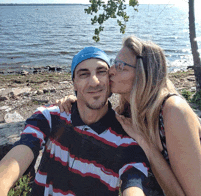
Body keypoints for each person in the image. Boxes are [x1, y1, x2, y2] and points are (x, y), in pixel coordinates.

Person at [57, 36, 201, 196]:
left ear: (143, 74)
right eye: (114, 63)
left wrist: (145, 143)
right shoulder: (127, 110)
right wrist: (77, 102)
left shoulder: (173, 111)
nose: (110, 71)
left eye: (120, 66)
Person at [0, 46, 158, 196]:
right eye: (84, 74)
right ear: (74, 82)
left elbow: (133, 185)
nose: (94, 82)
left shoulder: (126, 138)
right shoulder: (50, 117)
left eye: (101, 72)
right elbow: (23, 148)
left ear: (110, 78)